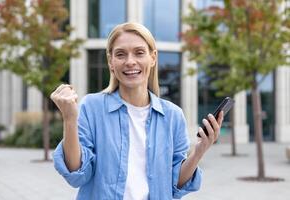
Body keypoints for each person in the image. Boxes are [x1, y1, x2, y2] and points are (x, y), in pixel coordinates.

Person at [50, 22, 223, 200]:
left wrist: (199, 150)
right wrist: (70, 119)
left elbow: (175, 184)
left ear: (153, 57)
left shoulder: (173, 115)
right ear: (111, 62)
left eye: (139, 52)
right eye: (120, 54)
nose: (130, 61)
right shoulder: (92, 107)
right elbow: (76, 173)